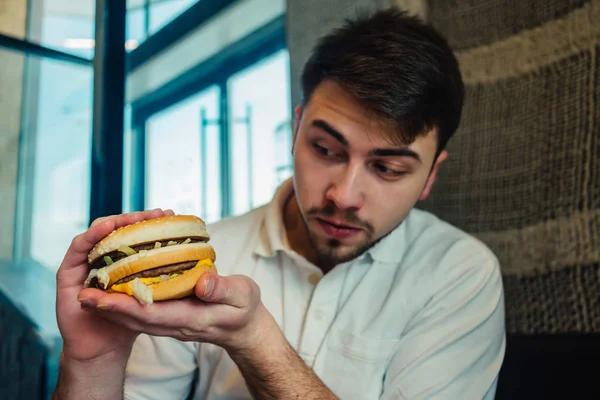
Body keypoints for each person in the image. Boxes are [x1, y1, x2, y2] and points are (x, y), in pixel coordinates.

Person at [52, 6, 505, 400]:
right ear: (296, 130)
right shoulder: (205, 260)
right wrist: (92, 364)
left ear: (431, 175)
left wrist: (254, 340)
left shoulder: (458, 273)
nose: (343, 196)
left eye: (387, 169)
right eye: (326, 149)